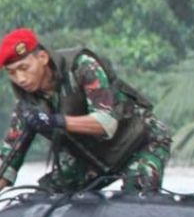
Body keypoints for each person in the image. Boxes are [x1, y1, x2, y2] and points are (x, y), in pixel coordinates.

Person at [0, 28, 172, 193]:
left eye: (24, 68)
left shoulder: (82, 66)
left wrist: (55, 121)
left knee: (138, 200)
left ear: (43, 58)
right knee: (45, 199)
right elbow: (9, 159)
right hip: (91, 157)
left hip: (140, 142)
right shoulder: (26, 104)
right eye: (12, 73)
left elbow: (106, 123)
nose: (20, 79)